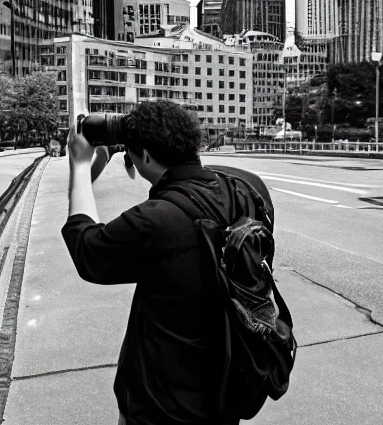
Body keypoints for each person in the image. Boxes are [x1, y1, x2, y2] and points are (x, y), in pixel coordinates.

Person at [62, 100, 274, 425]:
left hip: (161, 404)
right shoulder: (249, 189)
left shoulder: (155, 221)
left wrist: (80, 165)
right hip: (227, 387)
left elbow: (86, 246)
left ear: (144, 155)